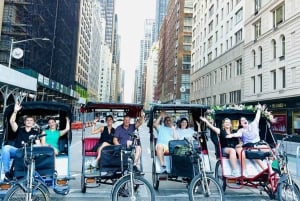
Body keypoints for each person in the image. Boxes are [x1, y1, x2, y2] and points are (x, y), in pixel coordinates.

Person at [226, 103, 271, 172]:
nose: (244, 121)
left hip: (259, 144)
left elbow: (257, 117)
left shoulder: (253, 124)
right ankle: (265, 169)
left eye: (244, 120)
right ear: (241, 124)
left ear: (247, 121)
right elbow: (237, 134)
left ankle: (274, 169)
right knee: (255, 153)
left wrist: (259, 109)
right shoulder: (241, 130)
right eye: (242, 121)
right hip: (249, 147)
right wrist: (231, 135)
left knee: (270, 151)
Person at [2, 103, 41, 181]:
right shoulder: (19, 129)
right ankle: (7, 172)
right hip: (17, 150)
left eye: (31, 120)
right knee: (6, 148)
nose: (29, 122)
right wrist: (15, 111)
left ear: (33, 122)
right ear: (25, 122)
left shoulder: (35, 132)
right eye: (27, 120)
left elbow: (38, 145)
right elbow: (12, 122)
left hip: (29, 152)